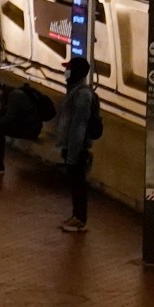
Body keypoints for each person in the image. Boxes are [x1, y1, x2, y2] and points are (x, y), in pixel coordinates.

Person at [48, 56, 104, 232]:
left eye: (69, 69)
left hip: (78, 148)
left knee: (79, 184)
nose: (66, 72)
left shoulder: (82, 95)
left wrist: (72, 153)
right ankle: (76, 215)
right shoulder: (75, 91)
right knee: (75, 184)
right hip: (72, 146)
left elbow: (79, 125)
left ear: (76, 72)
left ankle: (80, 219)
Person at [0, 77, 56, 173]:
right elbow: (0, 115)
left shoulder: (15, 97)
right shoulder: (6, 96)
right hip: (22, 125)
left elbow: (8, 119)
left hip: (31, 129)